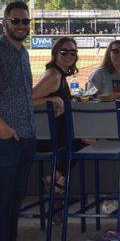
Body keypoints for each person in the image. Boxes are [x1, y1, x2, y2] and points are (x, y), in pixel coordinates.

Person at [0, 2, 49, 241]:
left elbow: (23, 96)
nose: (21, 25)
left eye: (25, 21)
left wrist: (52, 100)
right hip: (5, 138)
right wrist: (2, 127)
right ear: (4, 23)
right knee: (3, 198)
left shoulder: (23, 52)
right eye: (16, 21)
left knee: (15, 197)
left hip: (26, 136)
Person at [32, 37, 91, 195]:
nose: (69, 55)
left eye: (73, 52)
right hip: (46, 140)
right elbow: (27, 99)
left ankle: (57, 179)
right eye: (64, 51)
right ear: (55, 54)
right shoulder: (54, 76)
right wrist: (51, 99)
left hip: (54, 136)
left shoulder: (59, 75)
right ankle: (57, 179)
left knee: (83, 138)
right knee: (87, 140)